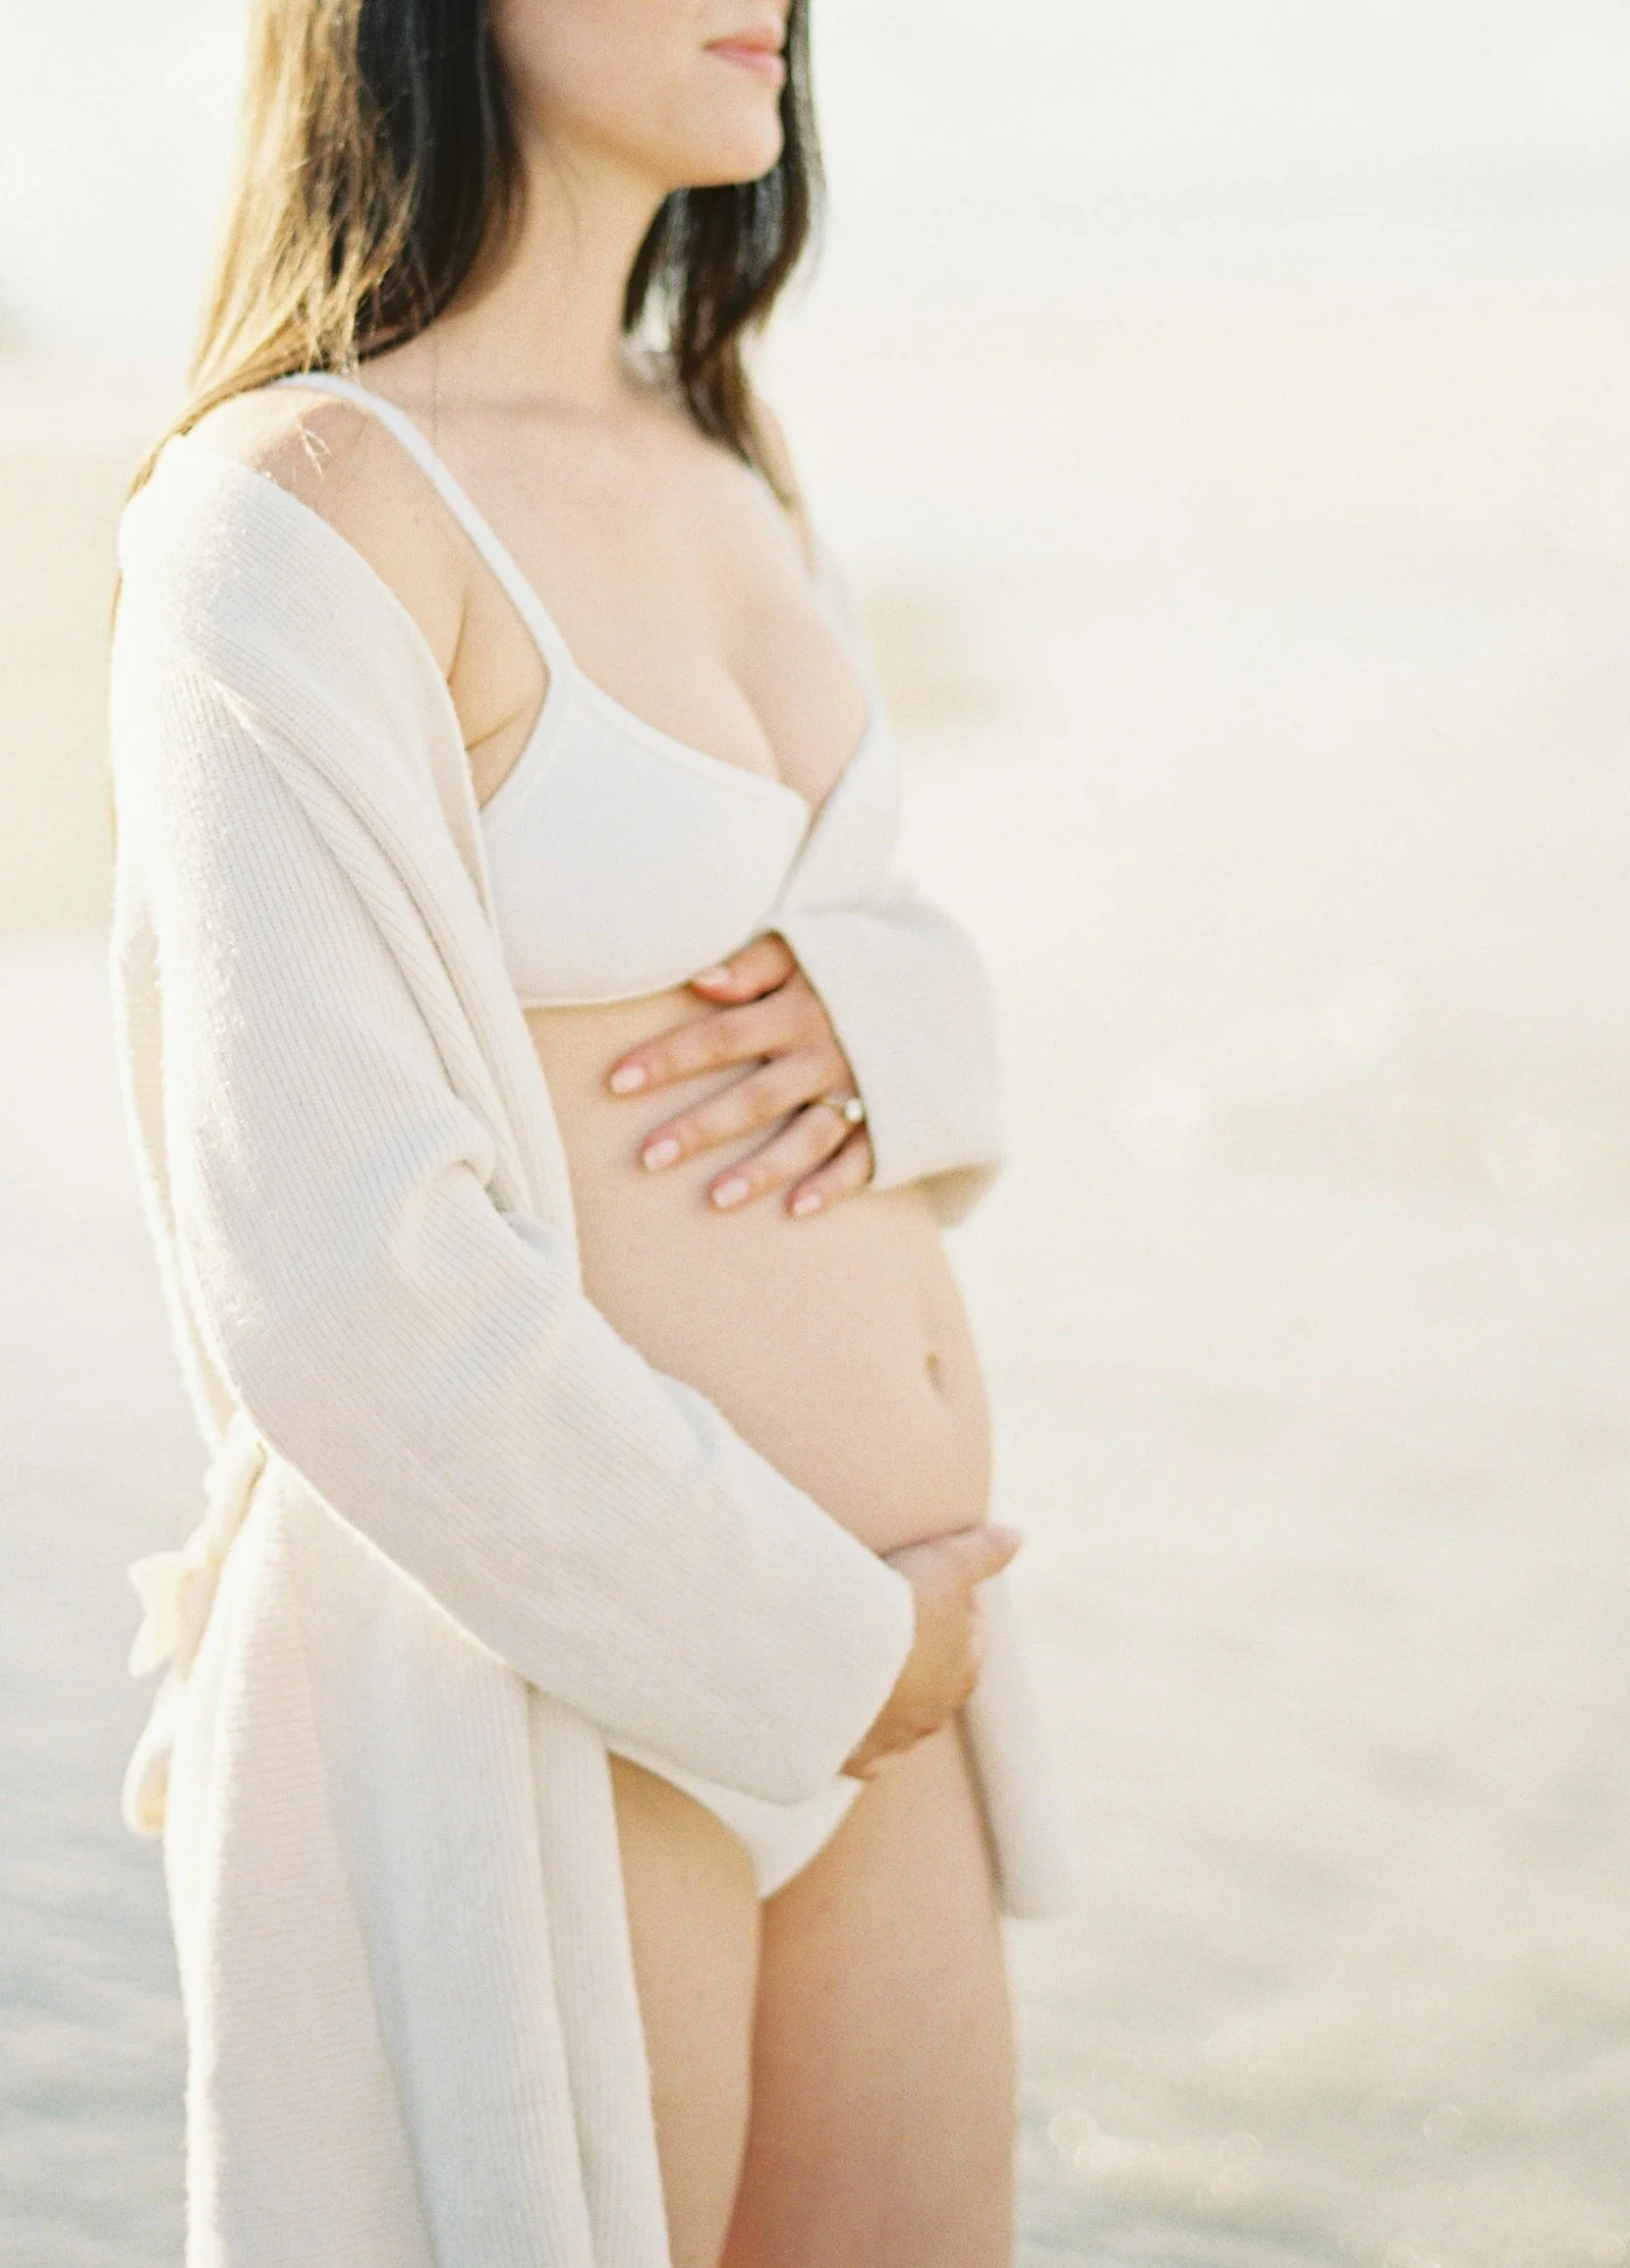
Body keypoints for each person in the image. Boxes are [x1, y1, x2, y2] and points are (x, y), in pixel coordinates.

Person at [109, 2, 1070, 2262]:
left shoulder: (725, 464)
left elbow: (875, 971)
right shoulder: (295, 508)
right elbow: (322, 1269)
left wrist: (888, 1014)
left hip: (885, 1683)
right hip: (577, 1686)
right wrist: (817, 1647)